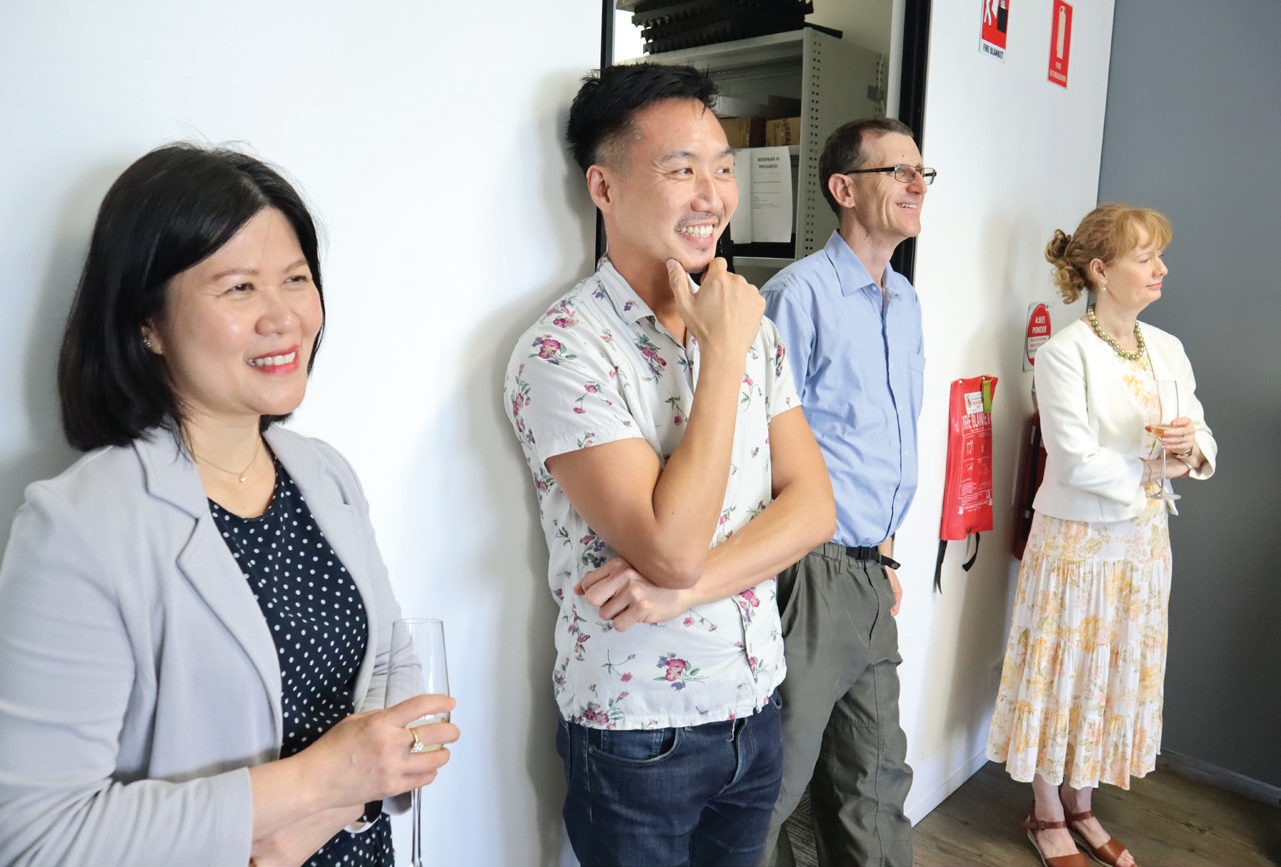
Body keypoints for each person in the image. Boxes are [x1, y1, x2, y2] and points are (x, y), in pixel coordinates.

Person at [0, 144, 459, 867]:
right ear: (147, 322)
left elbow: (393, 664)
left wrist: (328, 812)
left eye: (296, 279)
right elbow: (38, 834)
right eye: (239, 288)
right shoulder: (79, 525)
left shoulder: (322, 472)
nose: (284, 317)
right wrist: (318, 781)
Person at [503, 63, 835, 866]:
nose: (711, 196)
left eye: (721, 169)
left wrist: (684, 591)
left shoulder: (751, 327)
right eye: (681, 170)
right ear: (603, 187)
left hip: (753, 700)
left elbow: (814, 507)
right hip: (637, 730)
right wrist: (721, 357)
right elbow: (671, 548)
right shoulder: (563, 349)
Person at [986, 204, 1216, 867]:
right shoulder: (1065, 353)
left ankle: (1081, 804)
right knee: (1060, 673)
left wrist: (1190, 446)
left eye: (1158, 255)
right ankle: (1045, 812)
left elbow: (1201, 429)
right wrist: (1157, 466)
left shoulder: (1166, 347)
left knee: (1111, 673)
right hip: (1076, 546)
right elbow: (1073, 458)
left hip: (1142, 547)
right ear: (1100, 270)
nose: (1160, 268)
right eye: (1145, 257)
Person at [758, 117, 933, 867]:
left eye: (922, 172)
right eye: (898, 171)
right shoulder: (796, 296)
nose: (917, 184)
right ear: (844, 188)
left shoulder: (905, 300)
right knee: (772, 782)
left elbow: (889, 440)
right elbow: (757, 447)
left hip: (871, 570)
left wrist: (885, 554)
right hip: (810, 567)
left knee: (875, 778)